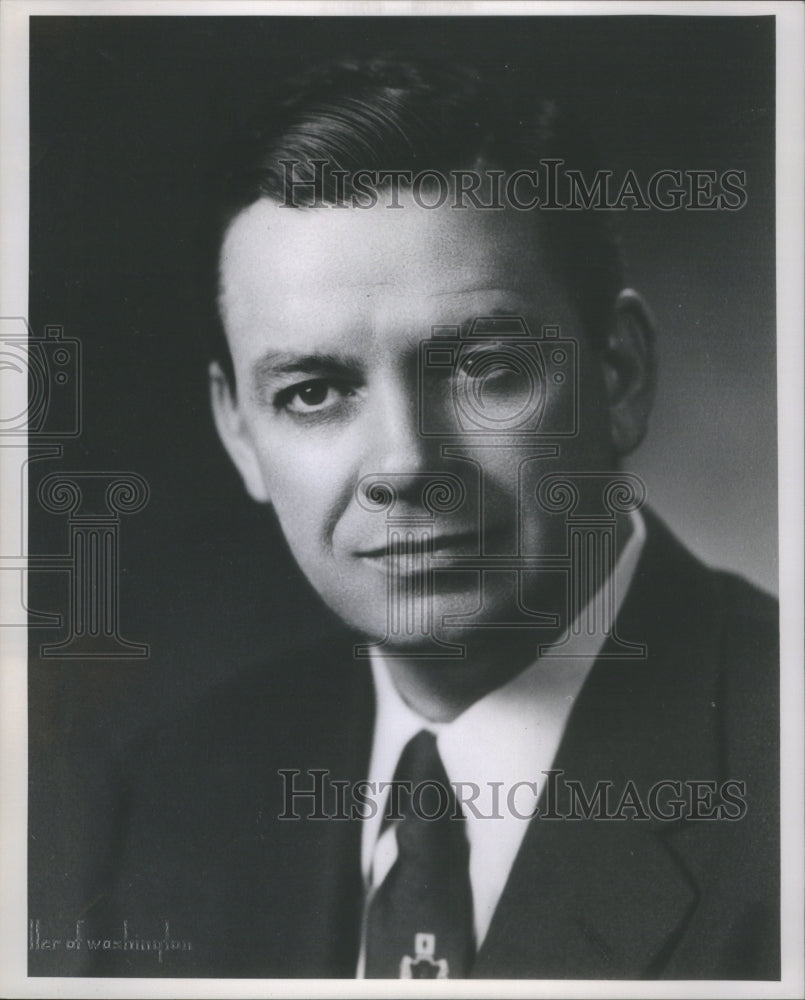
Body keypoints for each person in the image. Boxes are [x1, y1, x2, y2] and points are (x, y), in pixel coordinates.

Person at [75, 57, 779, 980]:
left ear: (618, 374)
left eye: (484, 370)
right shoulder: (185, 783)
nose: (406, 467)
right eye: (314, 391)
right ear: (238, 432)